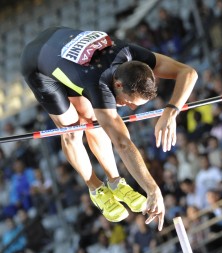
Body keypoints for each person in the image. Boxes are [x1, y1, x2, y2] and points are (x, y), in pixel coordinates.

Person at [21, 27, 198, 229]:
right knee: (73, 128)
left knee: (93, 118)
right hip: (38, 64)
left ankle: (115, 182)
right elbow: (122, 143)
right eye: (129, 101)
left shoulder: (133, 55)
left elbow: (188, 72)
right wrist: (152, 189)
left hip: (64, 52)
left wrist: (171, 111)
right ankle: (96, 189)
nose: (131, 107)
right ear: (119, 85)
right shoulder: (100, 83)